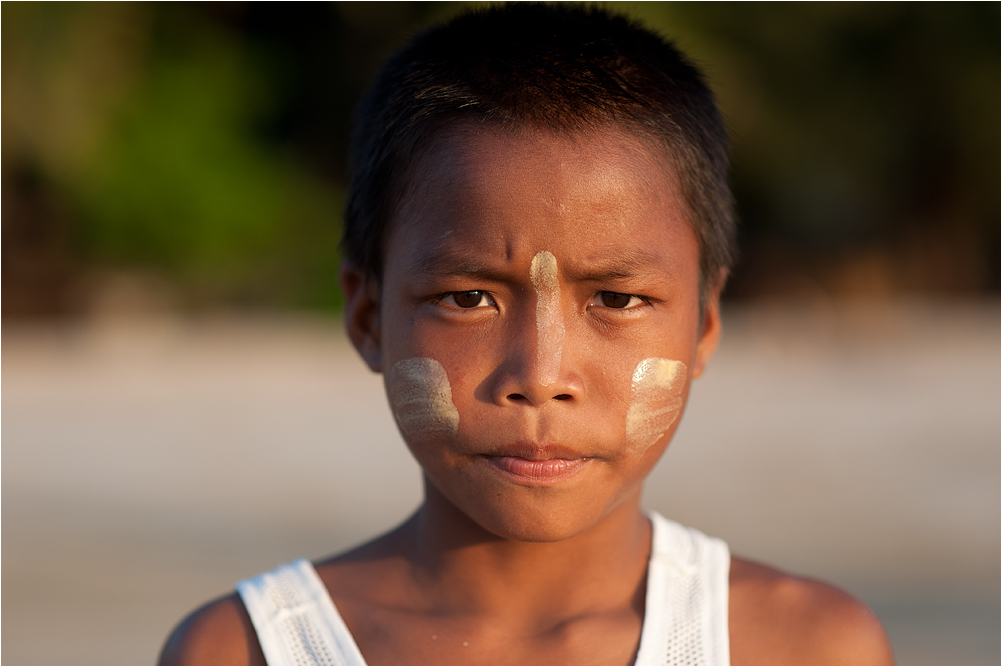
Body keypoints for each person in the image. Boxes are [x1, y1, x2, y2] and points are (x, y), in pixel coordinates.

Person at [159, 5, 894, 665]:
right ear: (366, 316)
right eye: (468, 296)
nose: (541, 374)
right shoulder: (244, 649)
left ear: (703, 323)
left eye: (616, 297)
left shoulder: (805, 646)